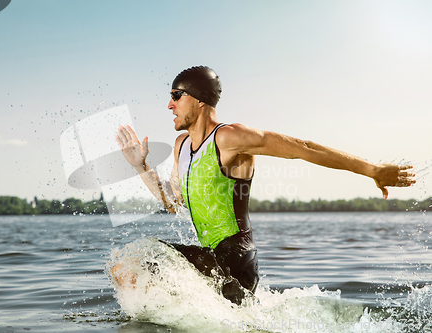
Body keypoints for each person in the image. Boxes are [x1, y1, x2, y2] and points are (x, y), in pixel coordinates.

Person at [115, 66, 416, 304]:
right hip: (210, 259)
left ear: (198, 98)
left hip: (235, 261)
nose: (169, 105)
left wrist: (372, 169)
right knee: (129, 268)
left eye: (176, 95)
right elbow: (173, 204)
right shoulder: (182, 145)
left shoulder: (229, 138)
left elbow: (303, 147)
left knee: (134, 261)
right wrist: (141, 167)